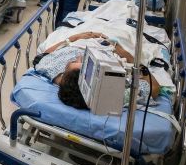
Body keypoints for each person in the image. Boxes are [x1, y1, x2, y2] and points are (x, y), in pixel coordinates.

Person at [30, 32, 160, 109]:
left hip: (79, 41)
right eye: (80, 62)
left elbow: (44, 54)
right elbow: (153, 88)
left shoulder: (45, 67)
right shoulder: (115, 94)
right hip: (109, 47)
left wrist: (75, 37)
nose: (80, 56)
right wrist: (128, 57)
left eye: (75, 61)